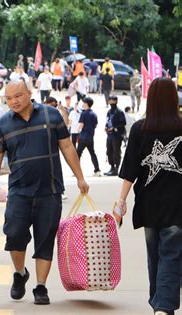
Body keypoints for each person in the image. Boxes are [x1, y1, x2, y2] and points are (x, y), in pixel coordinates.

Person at [0, 80, 89, 305]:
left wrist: (80, 177)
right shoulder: (3, 124)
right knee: (14, 235)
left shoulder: (51, 115)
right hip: (19, 192)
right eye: (9, 98)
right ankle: (19, 273)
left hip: (50, 190)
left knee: (45, 239)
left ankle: (40, 286)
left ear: (29, 93)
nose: (14, 101)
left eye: (18, 96)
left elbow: (67, 147)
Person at [117, 77, 182, 315]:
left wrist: (121, 200)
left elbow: (130, 169)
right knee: (171, 256)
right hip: (177, 204)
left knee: (155, 255)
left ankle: (160, 304)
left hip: (148, 204)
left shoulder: (140, 129)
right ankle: (162, 306)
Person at [76, 97, 101, 176]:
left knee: (77, 154)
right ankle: (97, 170)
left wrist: (76, 131)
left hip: (83, 136)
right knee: (92, 153)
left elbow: (81, 125)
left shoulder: (83, 114)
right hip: (90, 137)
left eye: (83, 103)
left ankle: (77, 171)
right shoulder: (94, 114)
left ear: (86, 104)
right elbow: (96, 125)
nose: (82, 104)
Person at [104, 95, 126, 176]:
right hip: (109, 134)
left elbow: (123, 123)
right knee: (109, 151)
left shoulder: (119, 112)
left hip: (117, 135)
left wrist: (114, 127)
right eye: (110, 100)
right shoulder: (109, 112)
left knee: (116, 151)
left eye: (112, 100)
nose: (110, 102)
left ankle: (116, 168)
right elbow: (108, 121)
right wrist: (106, 127)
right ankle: (111, 167)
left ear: (116, 101)